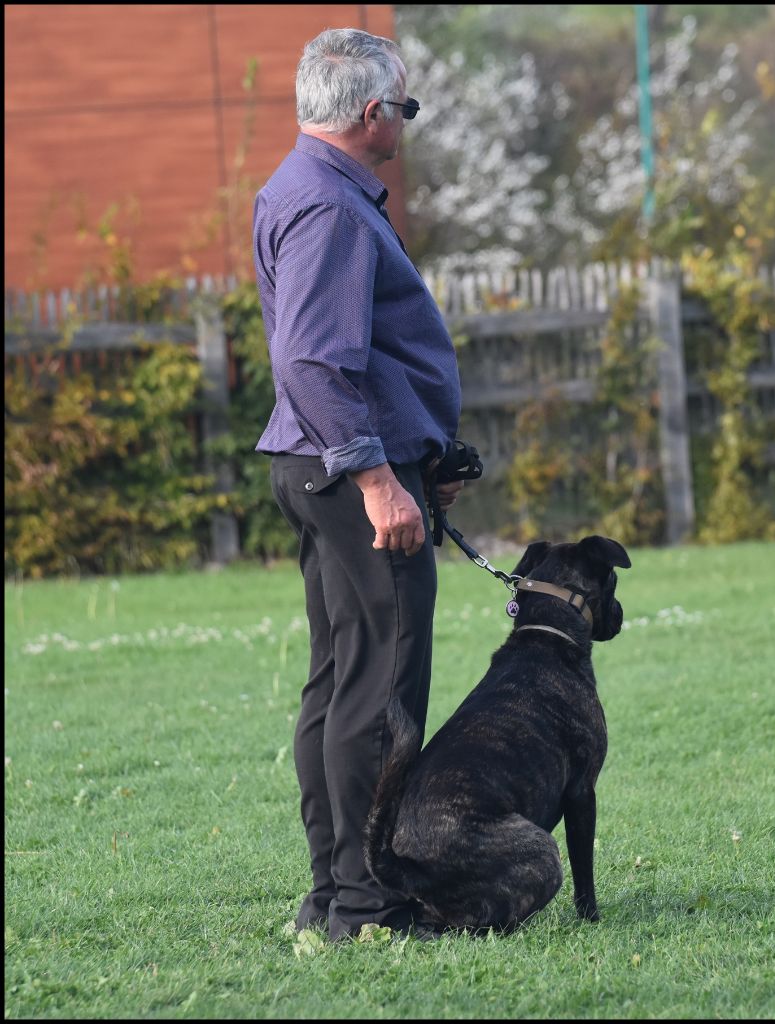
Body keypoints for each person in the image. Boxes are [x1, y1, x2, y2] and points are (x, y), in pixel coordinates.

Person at [252, 27, 466, 942]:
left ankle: (333, 896)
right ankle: (367, 904)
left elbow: (349, 355)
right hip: (348, 473)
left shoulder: (292, 186)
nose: (406, 123)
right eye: (404, 108)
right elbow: (311, 358)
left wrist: (421, 456)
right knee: (380, 689)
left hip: (325, 464)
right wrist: (380, 478)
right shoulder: (332, 207)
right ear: (372, 112)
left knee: (341, 679)